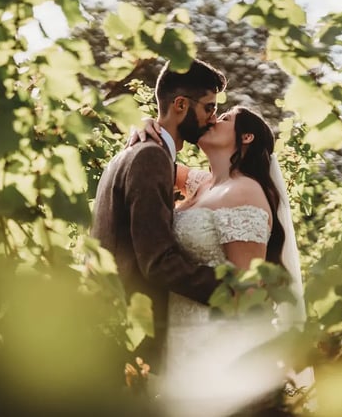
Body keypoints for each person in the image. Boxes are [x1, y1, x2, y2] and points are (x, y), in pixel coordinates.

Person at [131, 106, 312, 416]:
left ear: (246, 136)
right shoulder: (203, 184)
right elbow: (155, 164)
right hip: (178, 335)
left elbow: (247, 291)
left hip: (214, 344)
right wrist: (147, 127)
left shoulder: (245, 192)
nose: (214, 119)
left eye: (225, 118)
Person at [90, 58, 227, 370]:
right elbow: (157, 262)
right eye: (209, 107)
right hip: (127, 340)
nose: (212, 118)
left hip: (110, 329)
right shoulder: (150, 156)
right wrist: (230, 290)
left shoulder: (136, 152)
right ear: (180, 105)